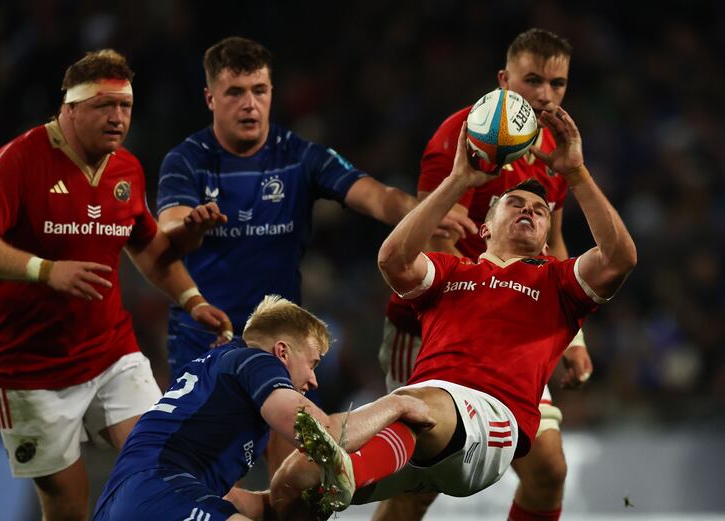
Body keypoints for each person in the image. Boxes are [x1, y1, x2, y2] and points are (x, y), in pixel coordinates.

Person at [270, 107, 636, 521]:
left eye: (539, 211)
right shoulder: (451, 271)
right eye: (515, 203)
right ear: (485, 229)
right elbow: (392, 260)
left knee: (412, 405)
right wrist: (458, 180)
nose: (529, 211)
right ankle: (334, 469)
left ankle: (339, 449)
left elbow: (619, 258)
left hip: (491, 423)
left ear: (547, 245)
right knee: (293, 484)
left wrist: (576, 173)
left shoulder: (558, 281)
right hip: (422, 430)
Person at [156, 36, 472, 474]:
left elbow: (377, 197)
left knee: (301, 474)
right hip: (207, 339)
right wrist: (191, 223)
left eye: (259, 91)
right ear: (210, 98)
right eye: (235, 92)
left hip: (281, 343)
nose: (249, 104)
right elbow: (168, 224)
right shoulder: (187, 160)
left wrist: (427, 209)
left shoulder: (299, 156)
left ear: (272, 92)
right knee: (204, 476)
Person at [0, 49, 230, 521]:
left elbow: (146, 246)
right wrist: (46, 270)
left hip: (110, 352)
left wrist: (191, 298)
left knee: (163, 463)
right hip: (31, 368)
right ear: (71, 108)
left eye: (126, 106)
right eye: (105, 105)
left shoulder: (126, 169)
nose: (118, 118)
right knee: (68, 506)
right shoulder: (21, 159)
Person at [376, 28, 592, 521]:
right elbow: (432, 242)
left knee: (548, 471)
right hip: (433, 328)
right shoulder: (464, 137)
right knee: (420, 483)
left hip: (509, 327)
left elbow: (555, 244)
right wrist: (502, 297)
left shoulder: (556, 146)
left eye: (557, 83)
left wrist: (573, 339)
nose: (545, 95)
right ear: (503, 80)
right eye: (532, 80)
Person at [92, 295, 435, 521]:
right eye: (312, 363)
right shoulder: (257, 362)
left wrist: (290, 500)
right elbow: (322, 434)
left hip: (124, 502)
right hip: (158, 490)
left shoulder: (220, 381)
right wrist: (397, 403)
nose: (313, 380)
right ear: (282, 352)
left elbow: (227, 498)